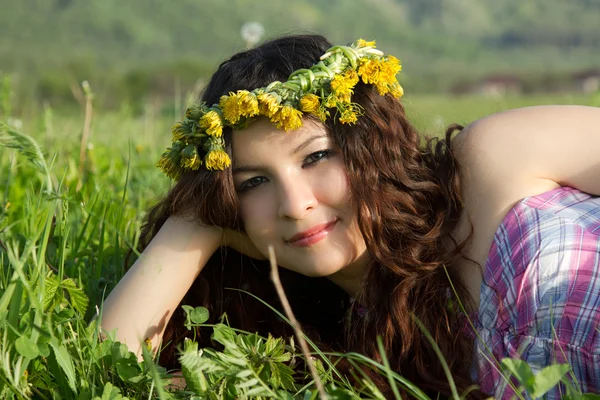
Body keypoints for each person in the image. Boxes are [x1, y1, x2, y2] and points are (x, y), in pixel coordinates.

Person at [100, 34, 600, 399]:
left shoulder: (489, 164)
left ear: (370, 146)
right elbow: (112, 364)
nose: (295, 205)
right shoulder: (354, 361)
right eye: (254, 182)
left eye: (316, 156)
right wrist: (197, 218)